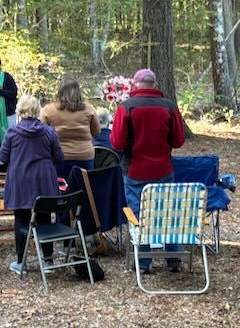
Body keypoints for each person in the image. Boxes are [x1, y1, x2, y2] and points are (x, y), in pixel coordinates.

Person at [111, 68, 185, 273]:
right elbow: (178, 141)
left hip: (135, 171)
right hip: (163, 169)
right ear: (154, 84)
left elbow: (117, 143)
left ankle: (144, 263)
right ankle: (173, 258)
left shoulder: (126, 107)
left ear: (135, 84)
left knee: (139, 215)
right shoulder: (169, 107)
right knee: (167, 212)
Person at [0, 96, 64, 275]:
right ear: (37, 110)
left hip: (20, 180)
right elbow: (59, 157)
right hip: (43, 180)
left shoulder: (12, 132)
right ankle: (48, 260)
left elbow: (2, 157)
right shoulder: (49, 132)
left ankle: (21, 262)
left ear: (19, 111)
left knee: (21, 219)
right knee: (44, 218)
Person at [40, 78, 100, 181]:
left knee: (59, 187)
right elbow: (96, 132)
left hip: (58, 157)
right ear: (78, 92)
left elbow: (41, 134)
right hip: (84, 156)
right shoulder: (89, 109)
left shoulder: (48, 110)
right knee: (85, 187)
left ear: (60, 91)